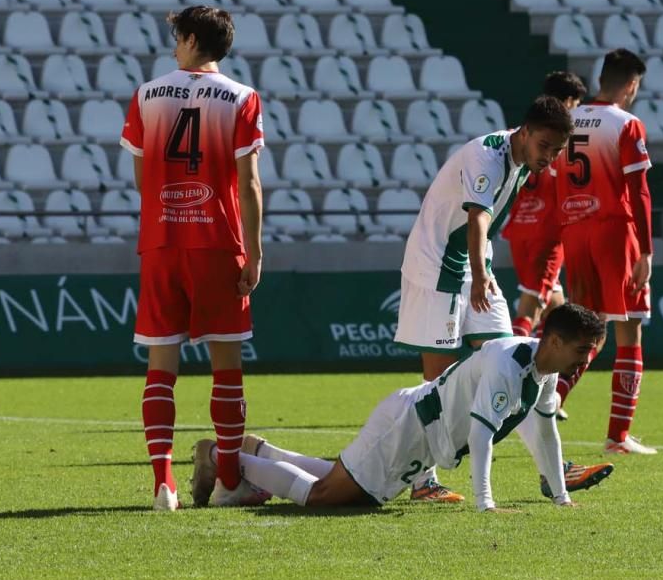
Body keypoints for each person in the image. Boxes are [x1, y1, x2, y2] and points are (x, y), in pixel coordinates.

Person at [190, 305, 613, 511]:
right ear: (555, 341)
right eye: (581, 350)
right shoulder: (509, 363)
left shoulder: (543, 369)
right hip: (413, 429)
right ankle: (219, 456)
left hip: (415, 423)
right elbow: (482, 434)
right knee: (325, 498)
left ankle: (258, 451)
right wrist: (486, 503)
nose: (584, 360)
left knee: (346, 481)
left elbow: (546, 432)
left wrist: (561, 498)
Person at [393, 96, 595, 503]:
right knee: (437, 377)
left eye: (557, 152)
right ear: (524, 131)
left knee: (518, 359)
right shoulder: (488, 156)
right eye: (545, 147)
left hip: (472, 268)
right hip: (436, 268)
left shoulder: (521, 163)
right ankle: (422, 479)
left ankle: (552, 472)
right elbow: (478, 218)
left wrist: (480, 271)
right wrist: (482, 275)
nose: (550, 158)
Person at [120, 5, 269, 510]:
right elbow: (248, 184)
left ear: (188, 39)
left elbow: (142, 181)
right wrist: (254, 251)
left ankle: (163, 483)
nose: (172, 46)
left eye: (175, 37)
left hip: (162, 242)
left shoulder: (146, 94)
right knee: (226, 365)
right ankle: (229, 480)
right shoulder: (242, 98)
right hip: (218, 242)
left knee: (161, 363)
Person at [551, 49, 657, 455]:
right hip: (616, 234)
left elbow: (555, 177)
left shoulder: (568, 120)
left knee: (587, 329)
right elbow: (639, 191)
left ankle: (549, 401)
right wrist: (645, 251)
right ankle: (618, 435)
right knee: (630, 331)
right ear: (631, 84)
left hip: (575, 233)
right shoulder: (627, 124)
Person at [502, 72, 587, 345]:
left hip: (519, 227)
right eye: (577, 104)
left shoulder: (527, 131)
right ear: (570, 101)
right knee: (531, 304)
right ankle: (512, 365)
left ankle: (549, 373)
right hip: (548, 230)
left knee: (556, 310)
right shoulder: (566, 139)